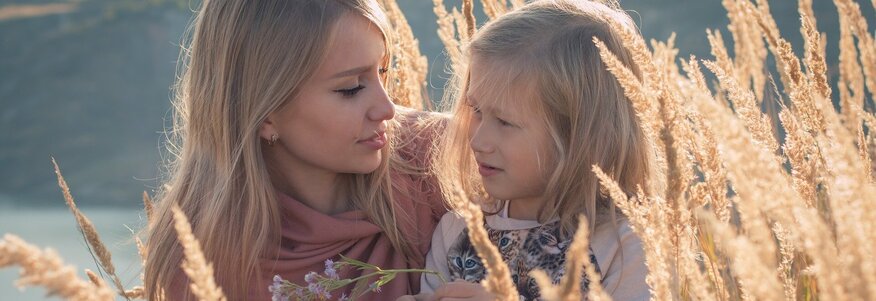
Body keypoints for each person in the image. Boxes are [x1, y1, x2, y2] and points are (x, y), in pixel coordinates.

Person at [143, 0, 446, 300]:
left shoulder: (448, 159)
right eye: (351, 87)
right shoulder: (198, 258)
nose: (387, 109)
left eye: (382, 71)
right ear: (265, 113)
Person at [421, 0, 651, 300]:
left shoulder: (626, 247)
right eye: (475, 109)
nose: (478, 141)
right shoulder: (459, 231)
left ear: (579, 135)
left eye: (505, 122)